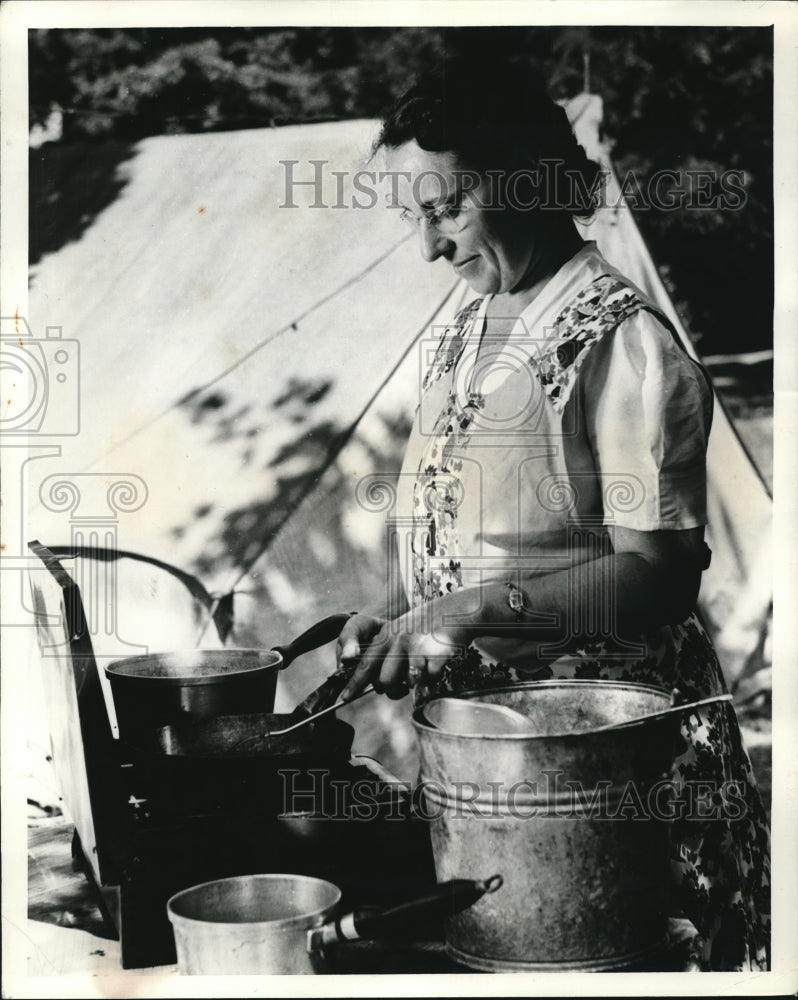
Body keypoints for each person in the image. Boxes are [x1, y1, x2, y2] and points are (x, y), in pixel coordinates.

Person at [336, 58, 770, 971]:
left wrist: (461, 615)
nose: (430, 247)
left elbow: (655, 574)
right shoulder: (465, 324)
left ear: (526, 182)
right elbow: (450, 507)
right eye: (414, 215)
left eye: (447, 207)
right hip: (505, 769)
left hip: (619, 772)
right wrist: (400, 599)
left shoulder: (616, 338)